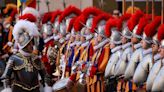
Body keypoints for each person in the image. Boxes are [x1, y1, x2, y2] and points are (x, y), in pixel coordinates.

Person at [1, 20, 51, 92]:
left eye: (31, 43)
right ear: (23, 46)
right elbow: (5, 77)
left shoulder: (36, 58)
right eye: (29, 44)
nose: (31, 46)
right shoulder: (13, 58)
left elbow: (45, 75)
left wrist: (47, 87)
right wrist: (7, 88)